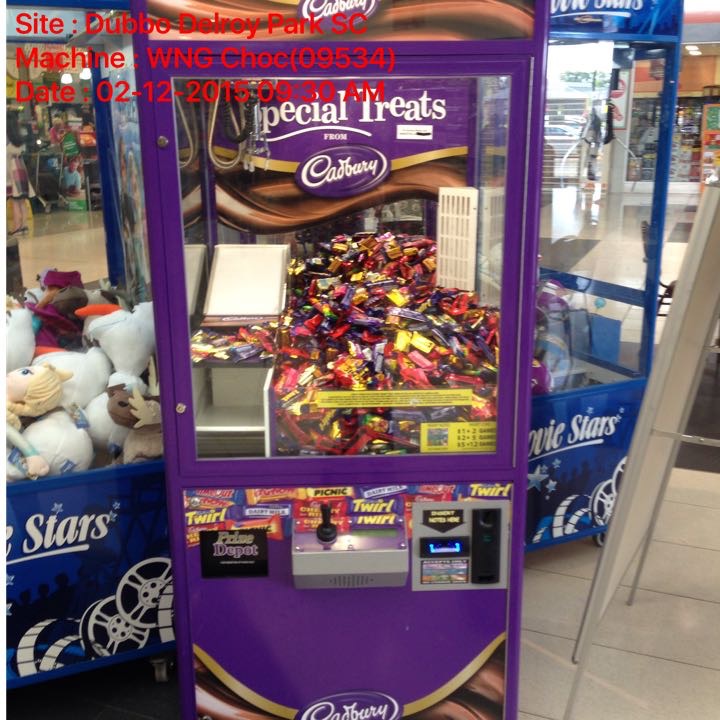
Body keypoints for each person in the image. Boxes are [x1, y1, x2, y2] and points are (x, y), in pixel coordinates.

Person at [6, 111, 34, 236]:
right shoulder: (18, 139)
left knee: (15, 201)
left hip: (11, 173)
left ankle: (17, 227)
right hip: (21, 170)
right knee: (21, 200)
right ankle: (24, 226)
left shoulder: (6, 140)